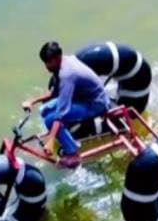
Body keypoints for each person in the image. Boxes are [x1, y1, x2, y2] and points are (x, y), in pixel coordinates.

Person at [21, 41, 109, 169]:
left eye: (48, 62)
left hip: (94, 103)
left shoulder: (67, 74)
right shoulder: (62, 64)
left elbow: (62, 112)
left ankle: (73, 154)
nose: (46, 66)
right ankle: (64, 133)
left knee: (50, 120)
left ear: (57, 58)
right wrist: (32, 102)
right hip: (80, 97)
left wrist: (51, 140)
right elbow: (54, 93)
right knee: (44, 109)